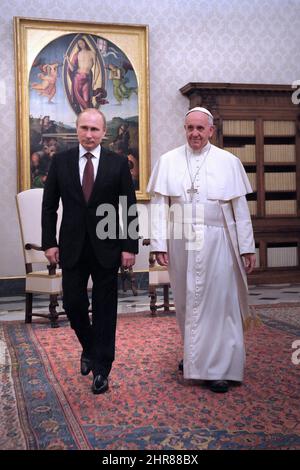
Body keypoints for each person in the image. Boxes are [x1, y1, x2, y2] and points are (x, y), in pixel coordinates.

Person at [147, 107, 256, 393]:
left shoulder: (229, 162)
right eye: (189, 128)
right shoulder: (168, 160)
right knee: (186, 301)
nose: (194, 133)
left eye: (200, 128)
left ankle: (221, 369)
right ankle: (194, 357)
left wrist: (246, 247)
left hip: (219, 238)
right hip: (181, 238)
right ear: (184, 129)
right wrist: (159, 243)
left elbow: (240, 211)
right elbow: (160, 207)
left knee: (220, 303)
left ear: (211, 130)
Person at [42, 108, 138, 394]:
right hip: (71, 247)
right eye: (84, 128)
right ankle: (90, 348)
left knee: (106, 310)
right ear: (77, 129)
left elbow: (127, 209)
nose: (89, 134)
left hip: (107, 247)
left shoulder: (118, 163)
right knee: (72, 304)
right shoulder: (60, 162)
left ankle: (102, 370)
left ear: (104, 133)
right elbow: (49, 207)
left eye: (94, 130)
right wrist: (49, 242)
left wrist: (129, 247)